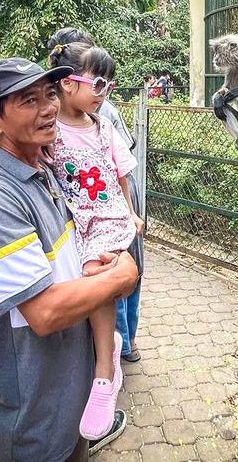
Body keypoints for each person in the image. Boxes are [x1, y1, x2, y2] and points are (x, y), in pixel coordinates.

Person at [0, 58, 139, 461]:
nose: (48, 107)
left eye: (50, 94)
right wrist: (120, 276)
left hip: (67, 395)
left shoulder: (45, 171)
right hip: (32, 417)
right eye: (29, 100)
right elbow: (44, 312)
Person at [44, 33, 145, 440]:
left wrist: (131, 213)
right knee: (78, 285)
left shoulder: (103, 128)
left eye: (108, 85)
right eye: (98, 84)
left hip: (107, 221)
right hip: (72, 221)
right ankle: (99, 358)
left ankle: (106, 370)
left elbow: (121, 174)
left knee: (93, 274)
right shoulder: (50, 129)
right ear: (68, 83)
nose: (104, 93)